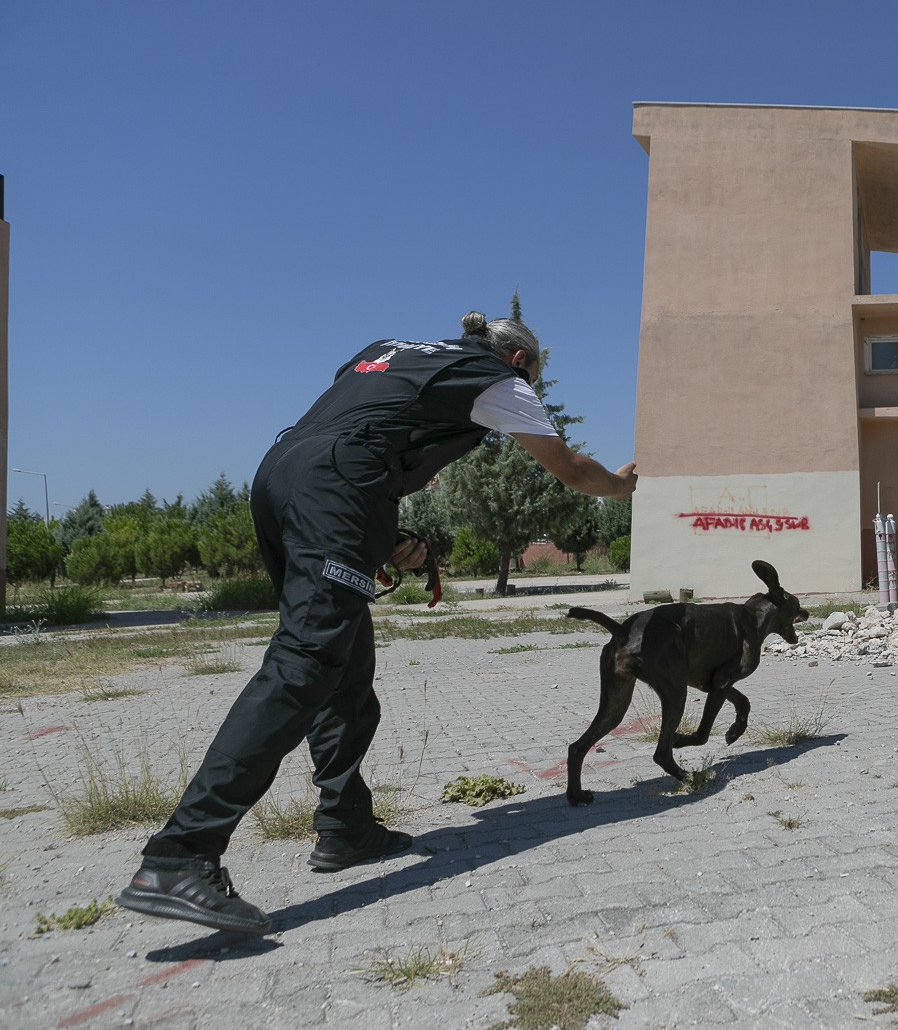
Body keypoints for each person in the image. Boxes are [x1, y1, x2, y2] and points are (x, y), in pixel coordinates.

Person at [117, 311, 636, 934]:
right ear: (520, 361)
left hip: (281, 474)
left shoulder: (387, 349)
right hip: (337, 487)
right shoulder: (498, 379)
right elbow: (573, 470)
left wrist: (377, 533)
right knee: (306, 661)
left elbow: (363, 430)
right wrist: (619, 488)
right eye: (536, 376)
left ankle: (347, 828)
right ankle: (181, 854)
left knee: (345, 664)